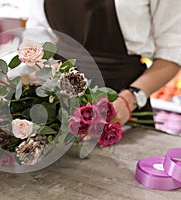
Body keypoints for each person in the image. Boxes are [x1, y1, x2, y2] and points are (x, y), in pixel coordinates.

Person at [25, 0, 181, 125]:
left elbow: (172, 53)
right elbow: (37, 36)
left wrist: (131, 98)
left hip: (121, 102)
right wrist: (51, 73)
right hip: (58, 99)